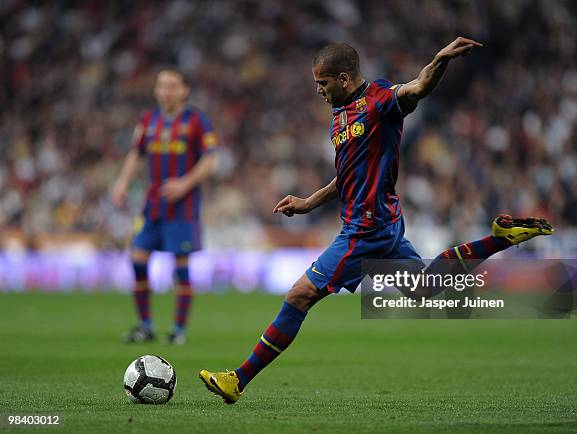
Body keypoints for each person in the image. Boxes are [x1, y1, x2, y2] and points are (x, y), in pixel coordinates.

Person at [199, 38, 553, 402]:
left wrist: (439, 60)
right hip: (385, 223)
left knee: (299, 295)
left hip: (365, 230)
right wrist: (309, 202)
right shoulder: (341, 113)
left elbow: (418, 87)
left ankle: (237, 380)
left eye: (323, 84)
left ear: (343, 78)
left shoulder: (382, 102)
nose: (319, 91)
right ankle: (499, 238)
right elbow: (347, 174)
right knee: (424, 288)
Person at [112, 68, 218, 345]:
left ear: (184, 90)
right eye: (161, 85)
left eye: (172, 86)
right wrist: (122, 182)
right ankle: (145, 326)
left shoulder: (197, 120)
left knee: (180, 267)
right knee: (137, 259)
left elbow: (209, 160)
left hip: (183, 206)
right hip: (153, 203)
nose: (165, 91)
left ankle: (178, 330)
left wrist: (185, 183)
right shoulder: (148, 120)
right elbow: (136, 153)